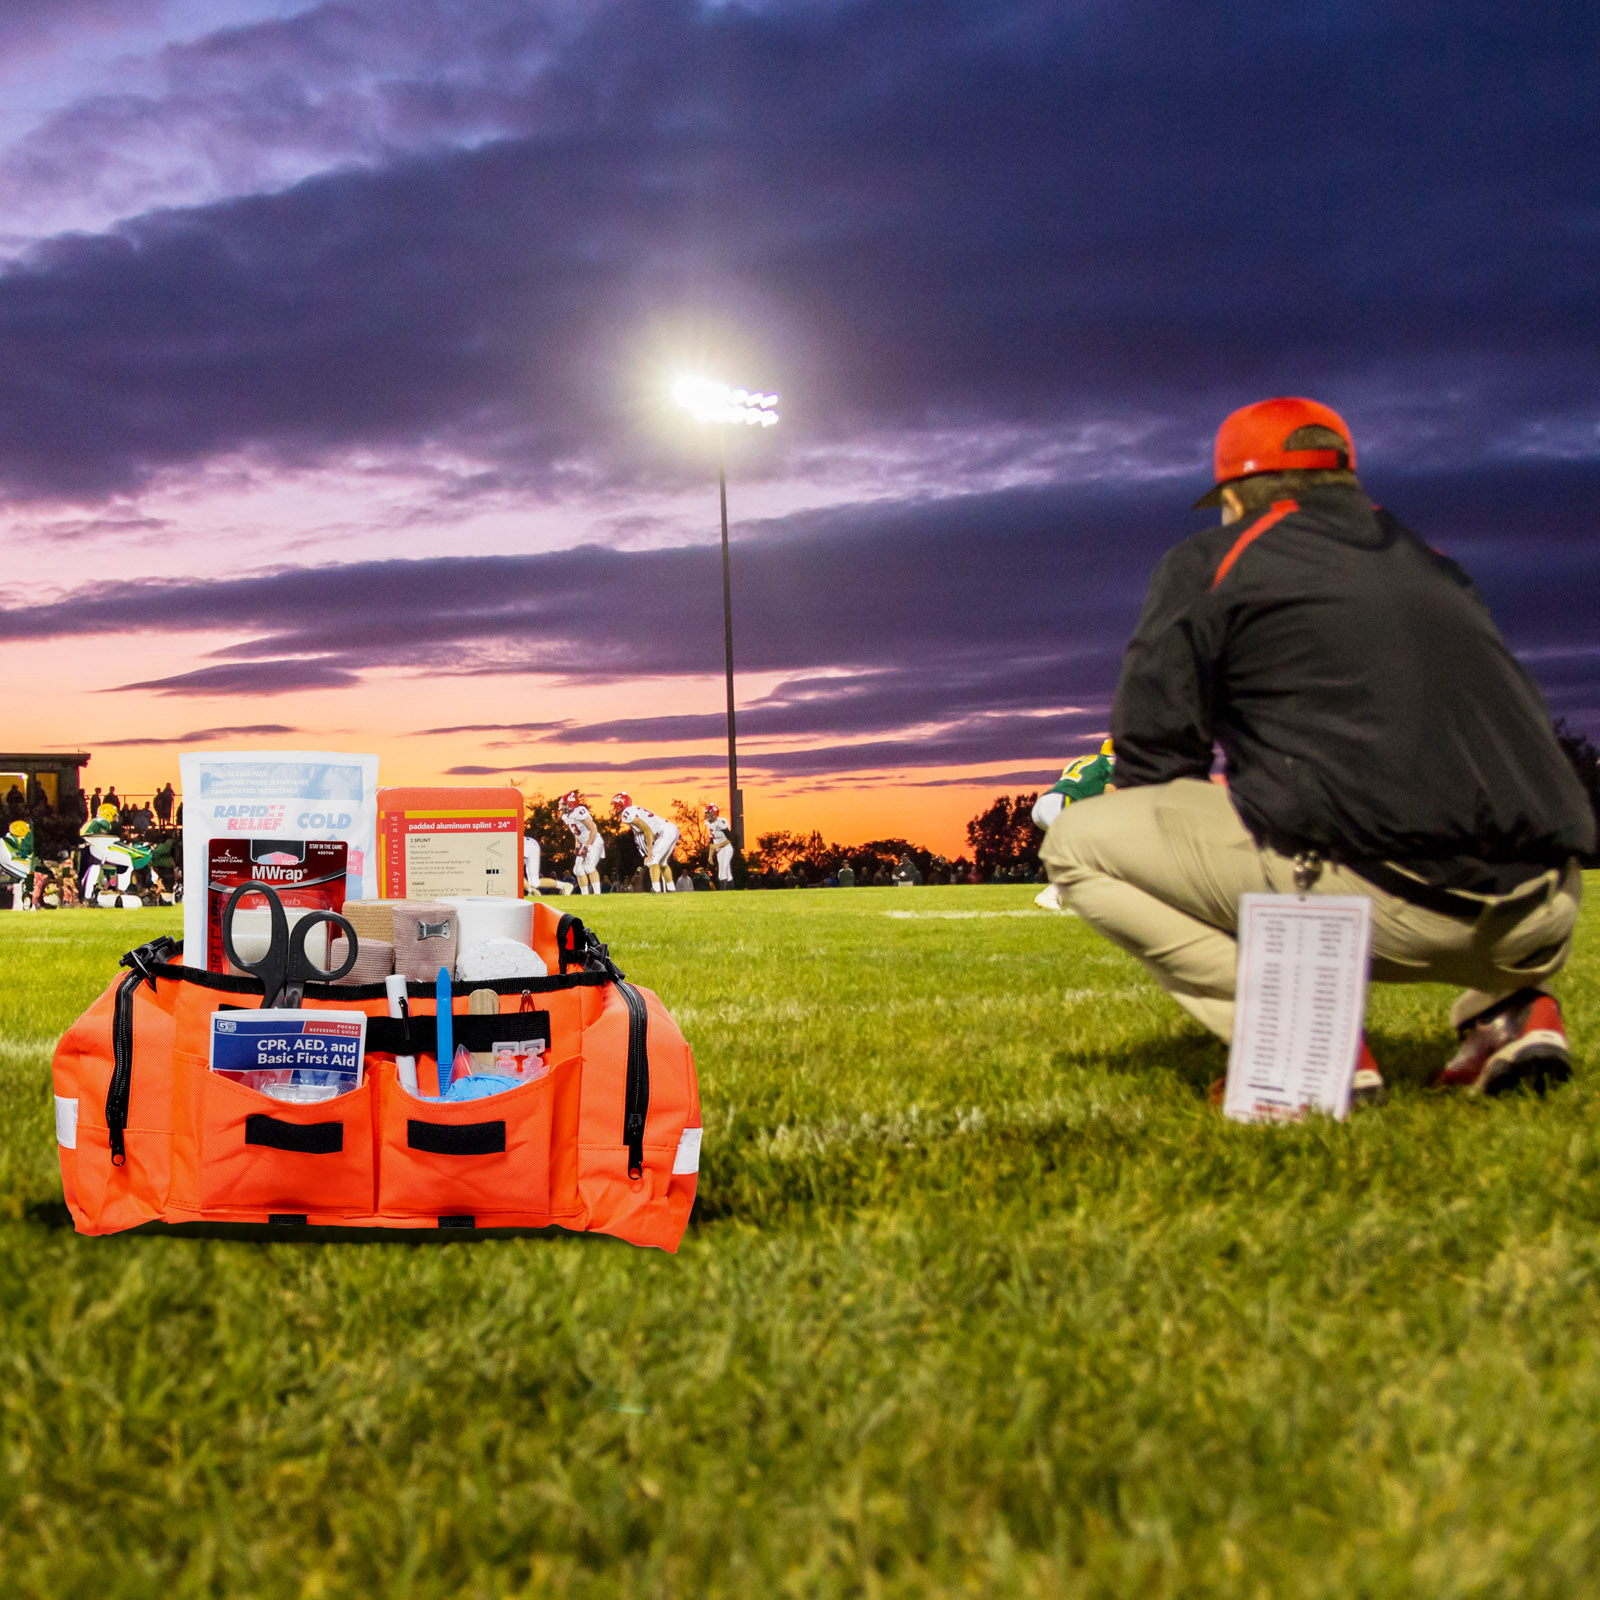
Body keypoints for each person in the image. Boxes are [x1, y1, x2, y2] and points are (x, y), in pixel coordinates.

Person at [1041, 397, 1594, 1101]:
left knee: (1079, 839)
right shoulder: (1435, 566)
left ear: (1237, 495)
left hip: (1394, 900)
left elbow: (1155, 762)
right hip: (1546, 907)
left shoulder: (1216, 559)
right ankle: (1512, 1011)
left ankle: (1302, 1040)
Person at [613, 792, 680, 893]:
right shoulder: (632, 811)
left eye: (615, 805)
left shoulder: (627, 814)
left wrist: (649, 853)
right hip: (670, 829)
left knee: (652, 860)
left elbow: (647, 830)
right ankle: (672, 889)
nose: (613, 808)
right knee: (662, 863)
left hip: (665, 831)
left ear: (620, 804)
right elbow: (648, 829)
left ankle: (656, 889)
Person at [558, 790, 605, 895]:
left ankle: (597, 894)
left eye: (565, 804)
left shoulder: (579, 812)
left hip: (594, 841)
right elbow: (576, 831)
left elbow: (593, 829)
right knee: (578, 870)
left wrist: (587, 846)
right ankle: (585, 895)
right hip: (584, 842)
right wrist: (577, 845)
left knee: (590, 867)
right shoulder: (566, 816)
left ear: (571, 804)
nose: (562, 807)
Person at [705, 803, 736, 888]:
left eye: (708, 813)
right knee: (727, 873)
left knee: (722, 872)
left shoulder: (721, 822)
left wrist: (718, 845)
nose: (707, 815)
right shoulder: (708, 823)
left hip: (726, 848)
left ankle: (723, 893)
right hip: (719, 850)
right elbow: (712, 839)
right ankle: (732, 892)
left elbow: (730, 838)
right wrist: (710, 854)